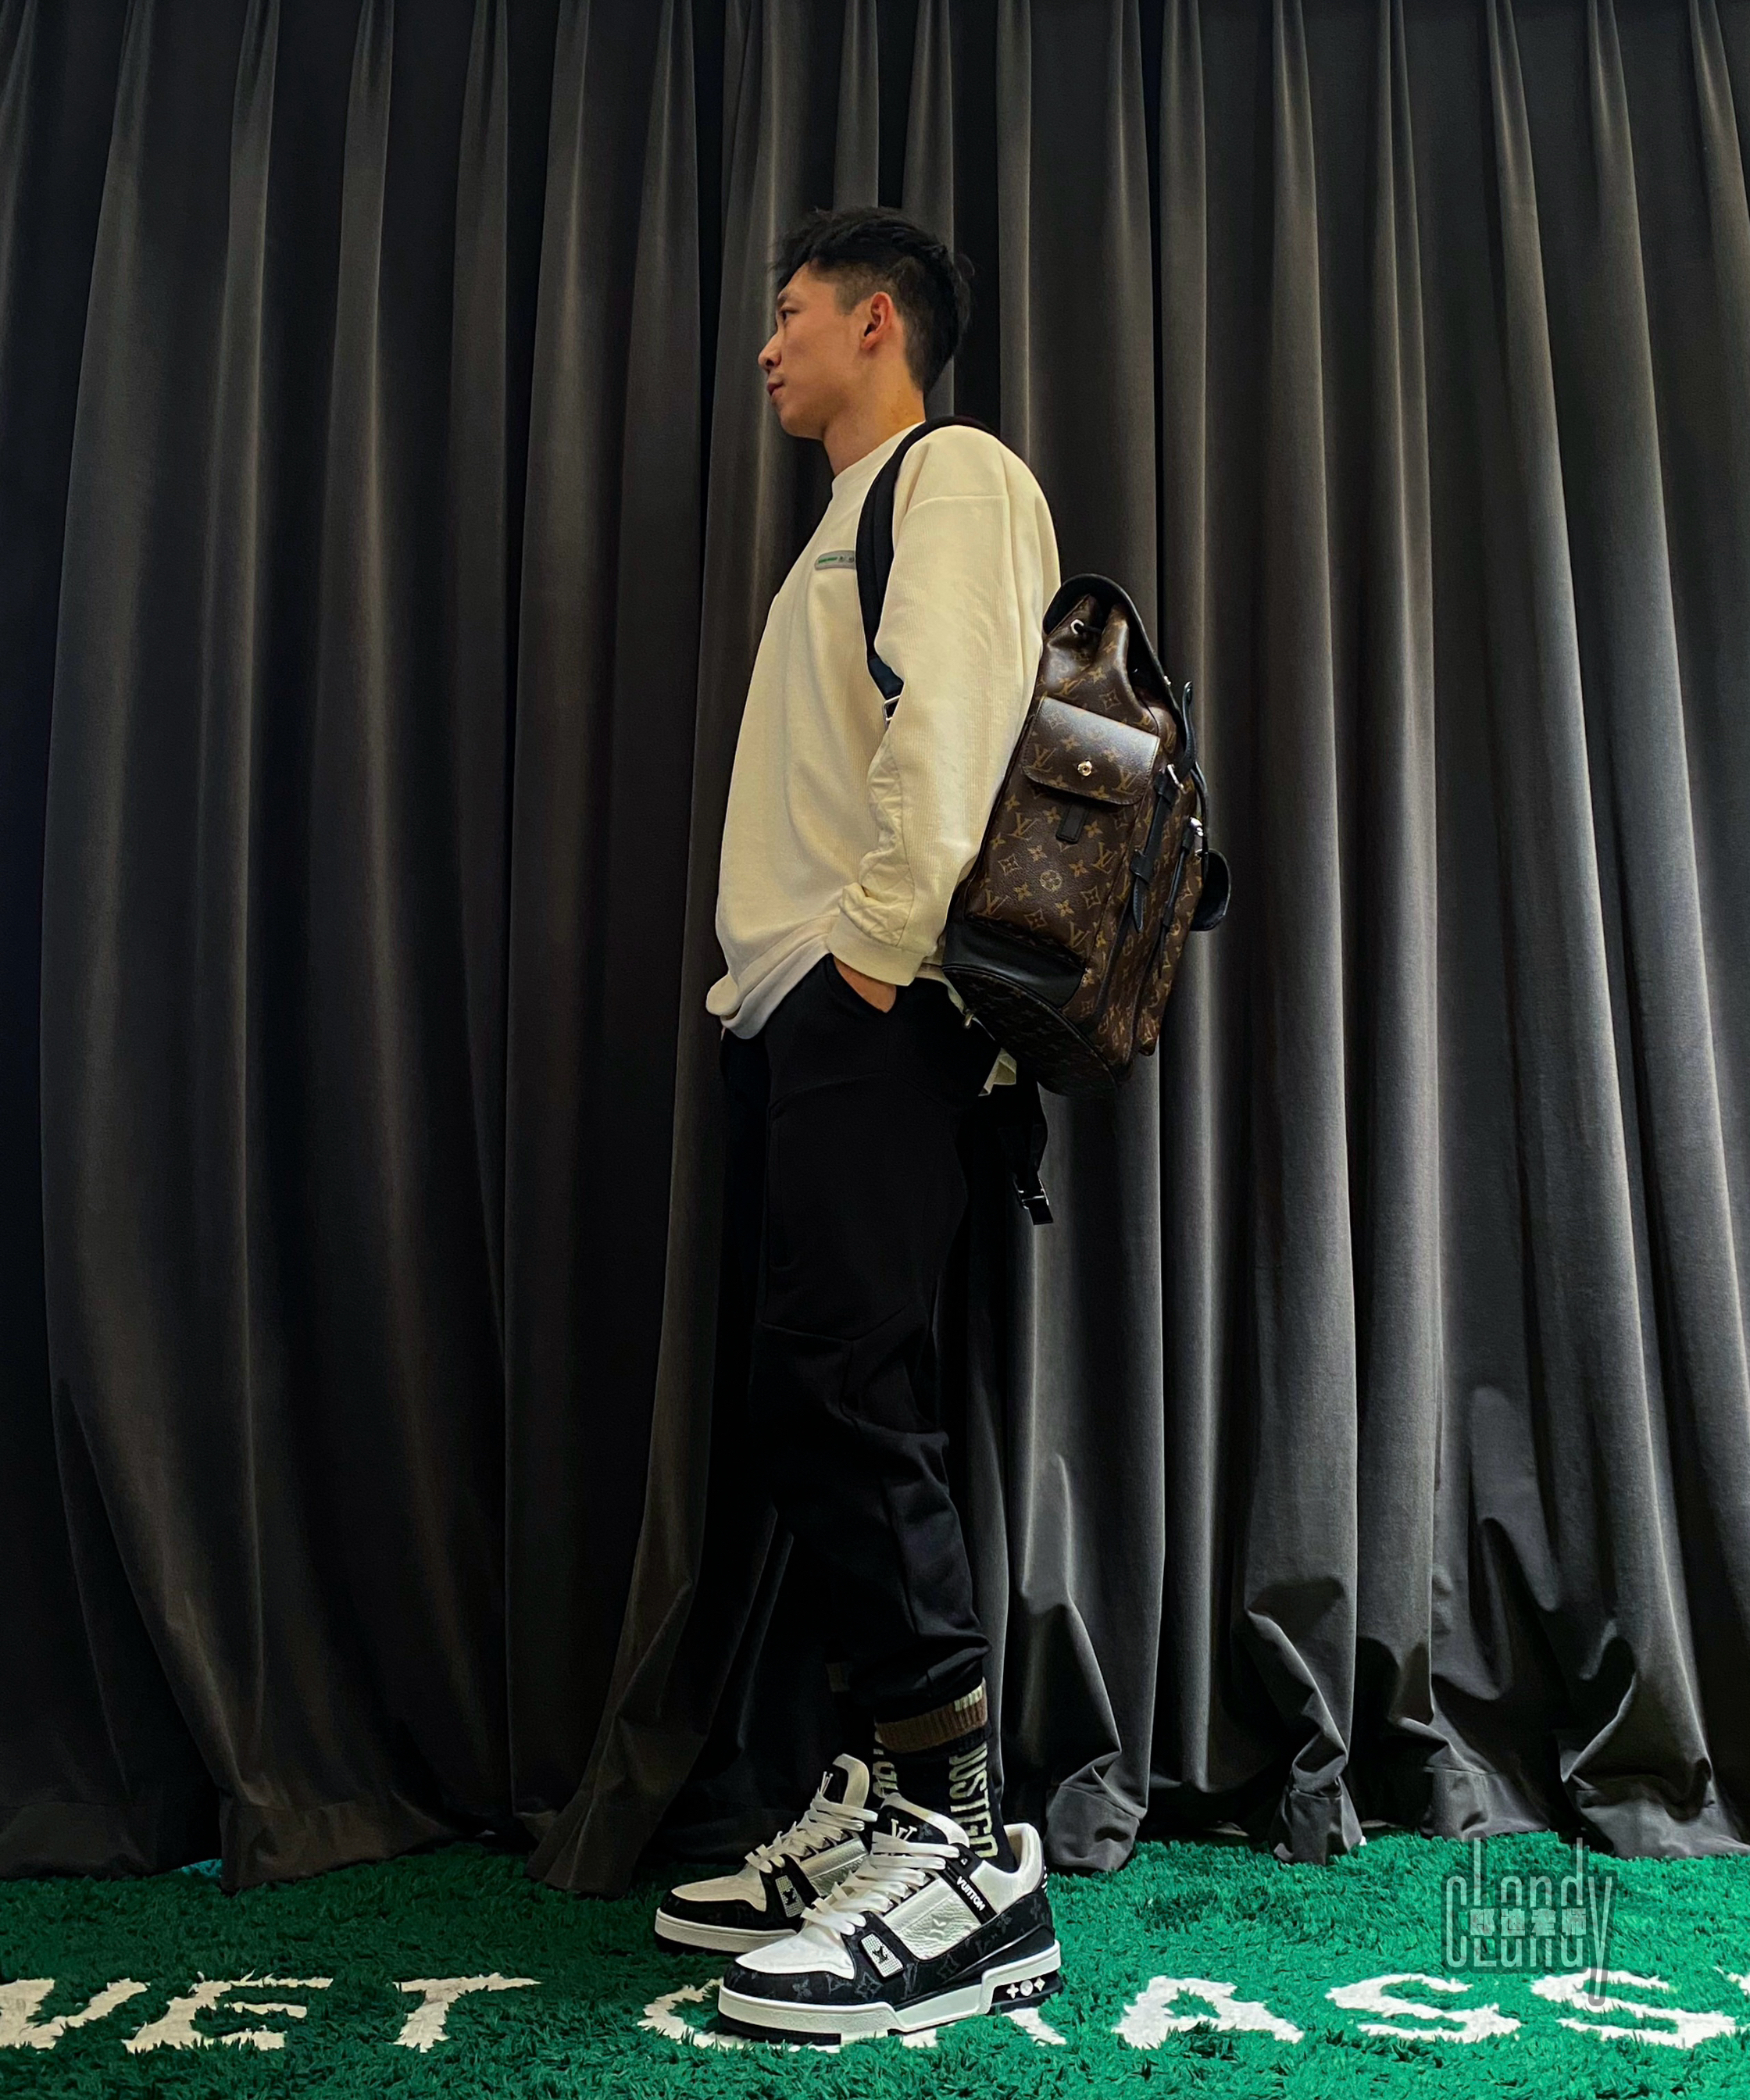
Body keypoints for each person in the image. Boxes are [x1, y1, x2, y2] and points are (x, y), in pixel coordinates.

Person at [654, 206, 1064, 2045]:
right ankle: (894, 1810)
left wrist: (871, 969)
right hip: (809, 1015)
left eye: (791, 314)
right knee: (817, 1401)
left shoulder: (949, 476)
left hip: (872, 1010)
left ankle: (970, 1865)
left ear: (876, 322)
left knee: (847, 1399)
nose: (767, 347)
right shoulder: (844, 514)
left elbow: (953, 731)